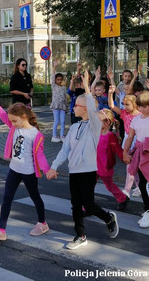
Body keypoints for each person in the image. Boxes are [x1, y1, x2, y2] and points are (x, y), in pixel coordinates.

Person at [47, 70, 119, 250]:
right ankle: (80, 235)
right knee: (75, 205)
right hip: (74, 171)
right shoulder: (74, 128)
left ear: (85, 108)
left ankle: (108, 218)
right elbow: (65, 150)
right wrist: (54, 166)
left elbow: (91, 104)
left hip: (88, 171)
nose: (73, 108)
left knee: (89, 204)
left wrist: (88, 85)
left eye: (76, 106)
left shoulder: (94, 126)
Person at [0, 83, 51, 241]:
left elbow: (40, 156)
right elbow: (1, 114)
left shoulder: (35, 134)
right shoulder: (15, 127)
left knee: (35, 197)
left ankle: (43, 223)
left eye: (14, 121)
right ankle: (1, 230)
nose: (11, 124)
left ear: (24, 117)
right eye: (11, 121)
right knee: (7, 197)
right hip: (14, 169)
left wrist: (47, 170)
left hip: (28, 172)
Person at [108, 85, 141, 198]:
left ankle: (129, 190)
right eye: (123, 104)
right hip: (128, 140)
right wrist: (110, 93)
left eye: (127, 104)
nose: (124, 106)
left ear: (135, 104)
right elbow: (111, 106)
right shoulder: (124, 114)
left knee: (133, 167)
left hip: (138, 142)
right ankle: (136, 187)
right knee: (131, 166)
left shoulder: (142, 115)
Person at [123, 91, 149, 228]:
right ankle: (147, 209)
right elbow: (130, 137)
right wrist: (125, 152)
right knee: (143, 184)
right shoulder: (136, 119)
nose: (142, 109)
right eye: (140, 106)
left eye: (145, 106)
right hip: (140, 154)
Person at [97, 109, 129, 211]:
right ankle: (86, 204)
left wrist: (126, 157)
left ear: (107, 123)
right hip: (93, 165)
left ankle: (122, 198)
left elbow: (118, 151)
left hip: (105, 167)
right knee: (88, 185)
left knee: (109, 186)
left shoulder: (111, 137)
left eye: (98, 121)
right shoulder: (95, 133)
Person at [50, 60, 68, 142]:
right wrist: (55, 67)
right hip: (56, 106)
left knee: (63, 121)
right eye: (58, 79)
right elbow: (52, 76)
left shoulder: (64, 88)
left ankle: (62, 135)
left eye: (61, 79)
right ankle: (54, 136)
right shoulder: (54, 86)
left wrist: (66, 107)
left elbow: (65, 98)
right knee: (56, 121)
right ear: (55, 80)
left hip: (63, 106)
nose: (59, 81)